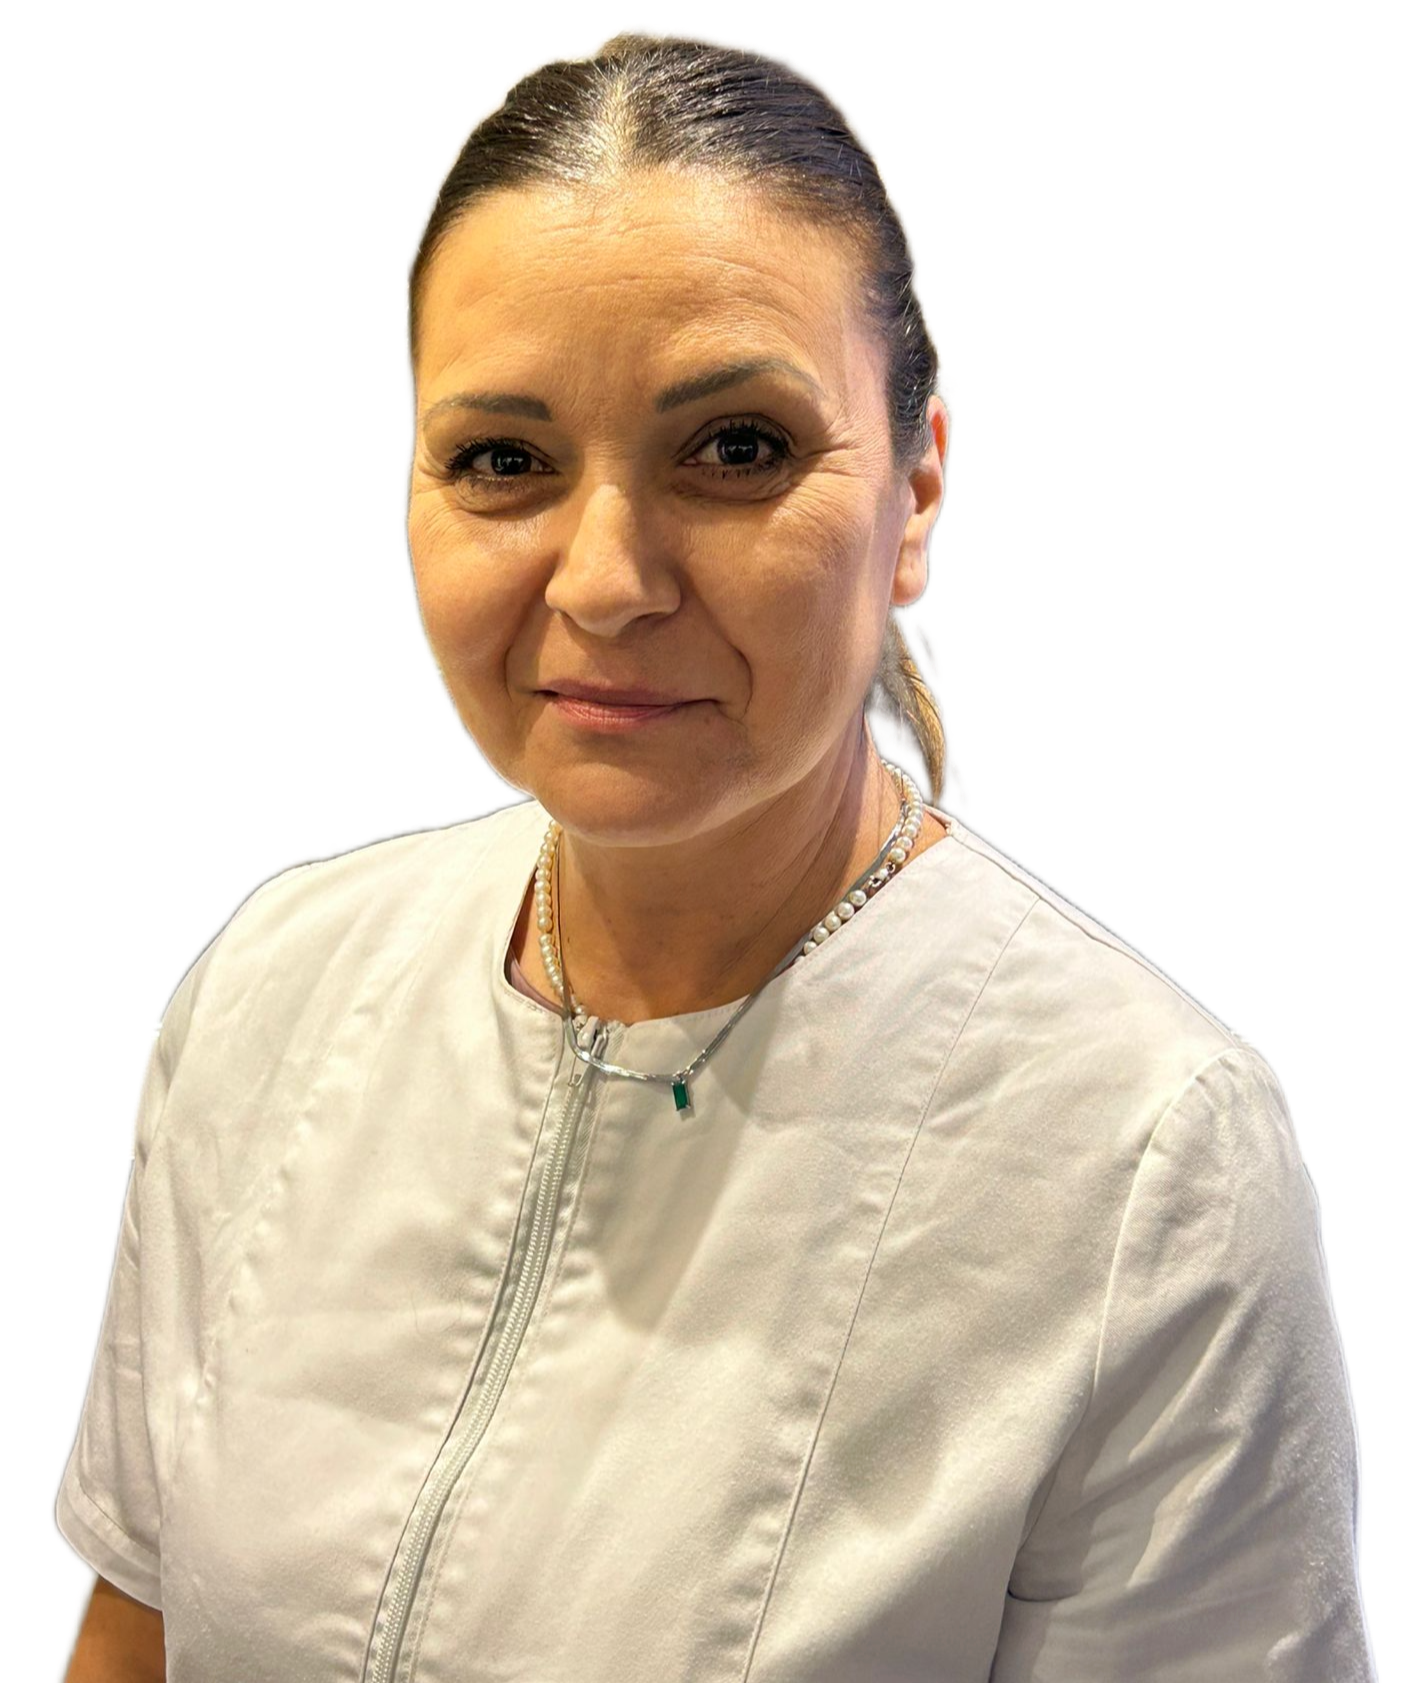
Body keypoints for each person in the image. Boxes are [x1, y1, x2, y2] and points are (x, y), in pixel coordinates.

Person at [52, 25, 1375, 1683]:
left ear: (917, 489)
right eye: (504, 459)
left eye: (737, 447)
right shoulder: (277, 991)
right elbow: (133, 1629)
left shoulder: (1147, 1165)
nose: (605, 581)